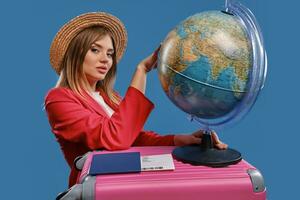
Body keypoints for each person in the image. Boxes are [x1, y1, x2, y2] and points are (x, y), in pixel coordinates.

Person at [45, 12, 228, 187]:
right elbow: (115, 138)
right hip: (96, 190)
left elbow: (136, 138)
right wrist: (142, 70)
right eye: (95, 50)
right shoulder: (59, 99)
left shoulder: (110, 98)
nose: (105, 60)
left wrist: (180, 140)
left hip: (127, 184)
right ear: (75, 55)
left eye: (109, 54)